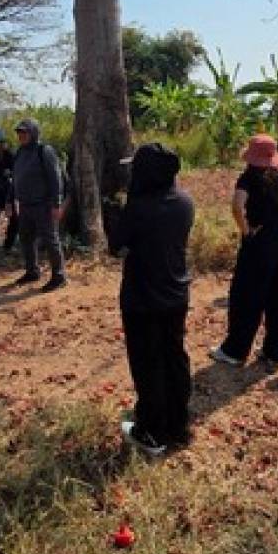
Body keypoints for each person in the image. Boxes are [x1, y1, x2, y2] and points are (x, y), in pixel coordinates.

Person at [109, 143, 195, 457]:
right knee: (174, 357)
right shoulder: (185, 202)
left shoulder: (137, 209)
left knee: (147, 363)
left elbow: (116, 247)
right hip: (176, 294)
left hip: (142, 297)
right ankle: (178, 425)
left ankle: (151, 431)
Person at [209, 134, 278, 372]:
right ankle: (274, 352)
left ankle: (235, 350)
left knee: (246, 296)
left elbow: (237, 206)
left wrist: (247, 230)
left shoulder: (249, 178)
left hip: (258, 242)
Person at [11, 118, 67, 292]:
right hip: (25, 205)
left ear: (33, 133)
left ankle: (59, 276)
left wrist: (57, 204)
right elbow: (15, 178)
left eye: (24, 132)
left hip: (43, 204)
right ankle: (32, 271)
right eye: (19, 132)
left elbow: (55, 178)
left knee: (51, 240)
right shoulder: (20, 153)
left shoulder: (45, 151)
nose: (21, 135)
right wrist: (9, 200)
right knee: (26, 239)